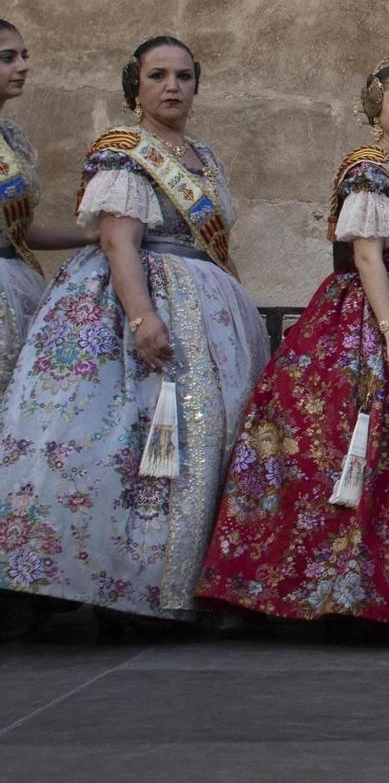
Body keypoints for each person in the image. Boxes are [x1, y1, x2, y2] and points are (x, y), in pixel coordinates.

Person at [200, 62, 389, 630]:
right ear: (374, 107)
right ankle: (336, 588)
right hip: (369, 319)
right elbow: (367, 255)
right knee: (344, 441)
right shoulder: (367, 171)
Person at [0, 36, 267, 629]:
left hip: (210, 304)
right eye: (157, 76)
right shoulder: (124, 151)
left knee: (204, 444)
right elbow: (120, 241)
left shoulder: (206, 156)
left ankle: (187, 583)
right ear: (136, 85)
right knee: (133, 444)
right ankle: (129, 590)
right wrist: (143, 317)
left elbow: (213, 242)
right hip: (142, 305)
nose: (172, 86)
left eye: (183, 76)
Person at [0, 19, 95, 394]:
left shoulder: (12, 137)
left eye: (24, 56)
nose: (23, 66)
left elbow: (19, 231)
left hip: (16, 283)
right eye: (7, 58)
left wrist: (88, 235)